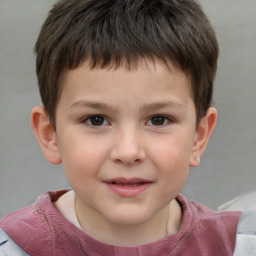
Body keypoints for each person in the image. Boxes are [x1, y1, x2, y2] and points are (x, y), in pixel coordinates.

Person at [0, 0, 245, 255]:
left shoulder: (239, 247)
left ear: (198, 137)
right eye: (96, 120)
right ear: (50, 135)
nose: (128, 152)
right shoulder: (12, 248)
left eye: (158, 120)